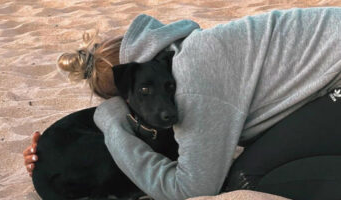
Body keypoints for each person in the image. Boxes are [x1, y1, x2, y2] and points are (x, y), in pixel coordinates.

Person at [24, 7, 341, 200]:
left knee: (245, 184)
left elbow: (190, 190)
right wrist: (50, 153)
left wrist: (111, 126)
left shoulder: (194, 82)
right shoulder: (181, 50)